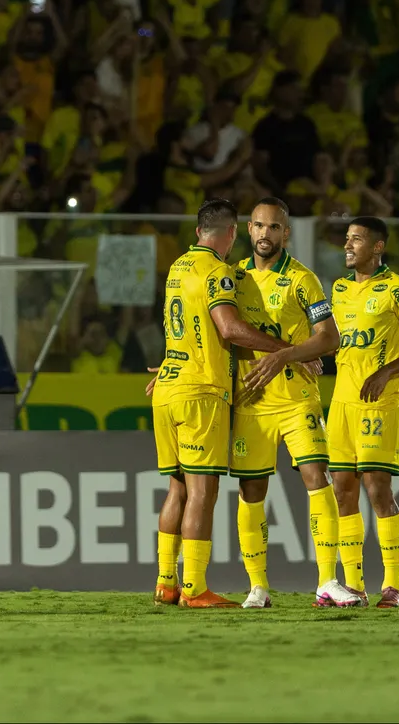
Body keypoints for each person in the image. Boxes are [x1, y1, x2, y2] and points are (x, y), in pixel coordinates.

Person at [145, 198, 295, 608]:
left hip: (168, 386)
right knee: (203, 491)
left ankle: (165, 581)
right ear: (232, 234)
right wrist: (285, 350)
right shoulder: (219, 271)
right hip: (201, 391)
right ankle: (194, 588)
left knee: (177, 488)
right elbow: (229, 329)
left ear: (198, 232)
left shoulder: (177, 267)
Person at [228, 197, 365, 609]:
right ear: (248, 229)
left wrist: (285, 356)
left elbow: (329, 338)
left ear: (285, 234)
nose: (265, 234)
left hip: (296, 399)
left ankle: (327, 581)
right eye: (258, 225)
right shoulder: (233, 278)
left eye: (274, 227)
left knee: (316, 478)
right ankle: (257, 587)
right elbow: (224, 333)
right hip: (252, 399)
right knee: (251, 490)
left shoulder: (303, 280)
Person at [328, 217, 399, 608]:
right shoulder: (338, 289)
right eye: (347, 238)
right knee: (343, 491)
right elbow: (335, 340)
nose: (348, 245)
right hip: (341, 402)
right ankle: (354, 584)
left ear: (377, 247)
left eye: (356, 239)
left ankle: (393, 584)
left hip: (379, 402)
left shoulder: (397, 288)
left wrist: (386, 371)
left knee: (377, 489)